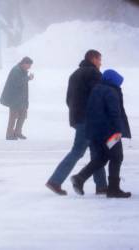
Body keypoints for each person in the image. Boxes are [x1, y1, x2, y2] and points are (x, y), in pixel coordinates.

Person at [46, 50, 107, 195]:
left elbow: (69, 99)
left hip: (79, 118)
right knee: (79, 150)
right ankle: (55, 181)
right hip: (90, 119)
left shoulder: (74, 74)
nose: (100, 63)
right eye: (99, 59)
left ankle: (101, 186)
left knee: (96, 151)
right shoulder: (94, 74)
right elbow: (98, 96)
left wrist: (77, 115)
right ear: (92, 58)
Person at [71, 69, 131, 198]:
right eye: (118, 82)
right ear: (113, 80)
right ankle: (113, 189)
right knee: (116, 157)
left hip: (96, 132)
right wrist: (118, 130)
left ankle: (80, 178)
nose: (119, 85)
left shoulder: (97, 89)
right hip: (110, 132)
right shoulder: (111, 92)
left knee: (102, 157)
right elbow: (114, 113)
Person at [0, 57, 34, 140]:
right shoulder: (16, 70)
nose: (29, 67)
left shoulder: (22, 70)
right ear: (24, 63)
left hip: (21, 98)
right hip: (14, 98)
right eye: (29, 65)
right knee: (13, 117)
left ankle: (17, 132)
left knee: (23, 115)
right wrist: (28, 78)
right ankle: (9, 135)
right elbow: (18, 83)